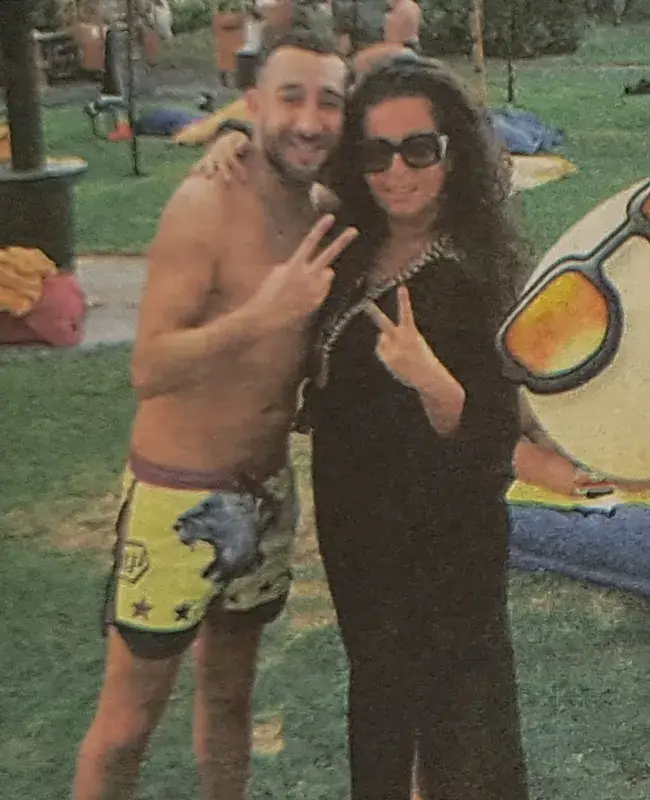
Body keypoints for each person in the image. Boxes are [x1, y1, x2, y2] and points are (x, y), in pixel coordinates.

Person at [199, 52, 617, 800]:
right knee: (382, 694)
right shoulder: (348, 243)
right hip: (356, 517)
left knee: (460, 709)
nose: (396, 172)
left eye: (419, 149)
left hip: (444, 526)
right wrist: (240, 140)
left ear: (453, 154)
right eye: (376, 153)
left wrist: (431, 379)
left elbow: (491, 426)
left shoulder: (474, 270)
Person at [72, 27, 357, 800]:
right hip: (178, 497)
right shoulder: (203, 204)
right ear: (254, 102)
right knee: (127, 725)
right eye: (291, 97)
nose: (310, 120)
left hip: (266, 495)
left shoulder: (324, 209)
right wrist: (262, 316)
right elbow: (149, 368)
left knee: (231, 698)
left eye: (329, 102)